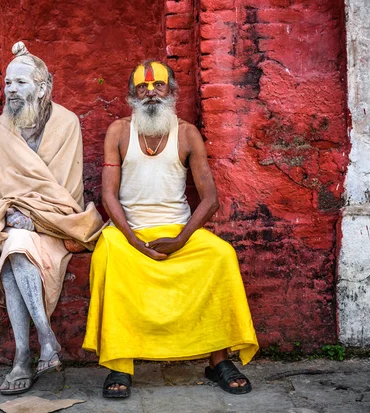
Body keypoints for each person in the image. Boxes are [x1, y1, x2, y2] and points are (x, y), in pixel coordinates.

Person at [83, 60, 259, 398]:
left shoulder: (187, 133)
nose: (150, 92)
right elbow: (108, 194)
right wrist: (133, 240)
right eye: (142, 87)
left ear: (171, 91)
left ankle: (218, 361)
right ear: (131, 95)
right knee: (108, 256)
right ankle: (119, 365)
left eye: (158, 86)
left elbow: (210, 200)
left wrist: (180, 239)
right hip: (128, 231)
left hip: (177, 231)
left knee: (221, 255)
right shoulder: (118, 131)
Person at [0, 41, 103, 395]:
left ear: (43, 87)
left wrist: (34, 219)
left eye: (21, 83)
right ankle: (44, 340)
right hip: (13, 224)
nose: (11, 90)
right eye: (7, 83)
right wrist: (8, 214)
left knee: (17, 247)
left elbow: (66, 195)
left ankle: (22, 359)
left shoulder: (67, 124)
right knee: (14, 243)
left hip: (55, 226)